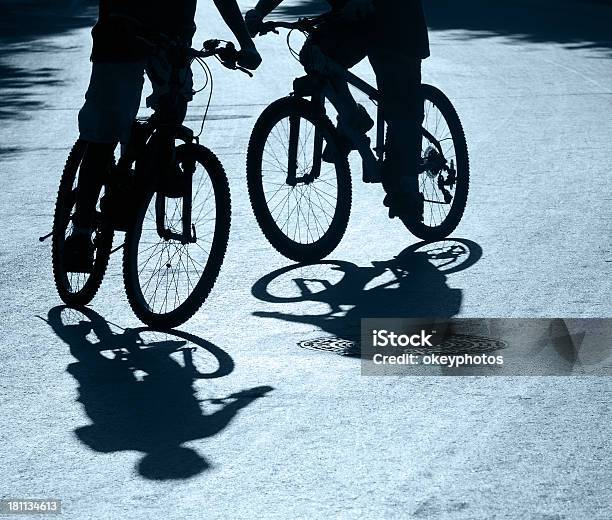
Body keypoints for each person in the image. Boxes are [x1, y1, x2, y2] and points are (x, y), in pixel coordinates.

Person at [65, 0, 262, 272]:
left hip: (174, 39)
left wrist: (246, 43)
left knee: (174, 104)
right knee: (105, 128)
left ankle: (151, 165)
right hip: (122, 31)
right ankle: (81, 233)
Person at [245, 0, 429, 219]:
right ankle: (353, 115)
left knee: (401, 105)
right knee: (316, 56)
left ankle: (407, 188)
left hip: (397, 21)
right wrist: (258, 13)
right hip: (353, 19)